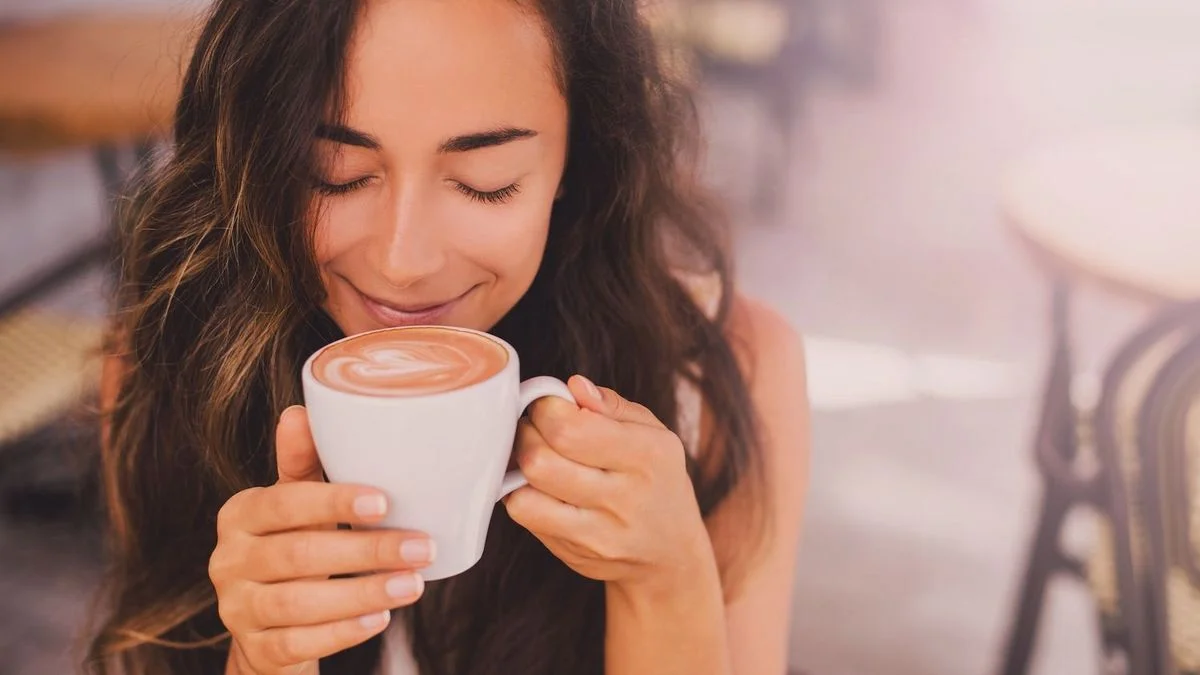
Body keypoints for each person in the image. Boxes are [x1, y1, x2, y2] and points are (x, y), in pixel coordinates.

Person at [87, 0, 810, 673]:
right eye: (334, 174)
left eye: (484, 180)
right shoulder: (173, 367)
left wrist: (666, 581)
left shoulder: (726, 379)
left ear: (575, 162)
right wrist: (263, 656)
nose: (404, 262)